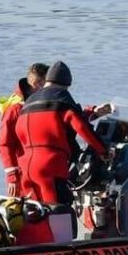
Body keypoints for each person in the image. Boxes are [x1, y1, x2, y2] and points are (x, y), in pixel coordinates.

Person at [15, 61, 111, 205]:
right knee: (59, 211)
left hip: (25, 166)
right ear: (66, 84)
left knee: (34, 214)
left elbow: (21, 130)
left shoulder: (28, 103)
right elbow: (82, 128)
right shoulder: (63, 99)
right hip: (50, 167)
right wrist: (104, 152)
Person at [0, 62, 49, 196]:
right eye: (48, 85)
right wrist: (12, 175)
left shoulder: (37, 103)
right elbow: (4, 143)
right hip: (21, 173)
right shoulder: (15, 109)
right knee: (22, 212)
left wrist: (93, 112)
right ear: (39, 84)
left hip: (35, 168)